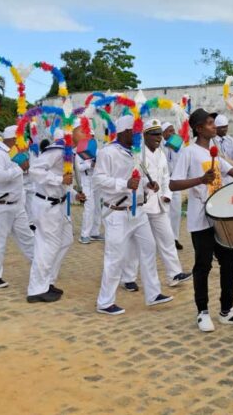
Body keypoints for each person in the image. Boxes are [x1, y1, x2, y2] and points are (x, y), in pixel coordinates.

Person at [170, 108, 233, 332]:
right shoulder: (189, 152)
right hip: (201, 220)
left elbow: (232, 172)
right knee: (203, 265)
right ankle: (202, 313)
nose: (214, 125)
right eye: (209, 123)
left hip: (221, 217)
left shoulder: (214, 152)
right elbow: (173, 184)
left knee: (230, 263)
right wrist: (200, 179)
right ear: (199, 128)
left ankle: (227, 311)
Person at [94, 115, 173, 315]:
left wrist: (148, 185)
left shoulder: (135, 153)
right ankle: (105, 302)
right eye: (135, 132)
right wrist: (124, 184)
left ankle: (153, 294)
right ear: (125, 132)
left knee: (149, 248)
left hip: (138, 211)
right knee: (115, 258)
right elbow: (98, 179)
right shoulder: (107, 152)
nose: (139, 136)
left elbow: (138, 180)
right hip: (117, 212)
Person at [120, 119, 192, 289]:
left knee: (167, 238)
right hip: (142, 204)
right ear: (144, 135)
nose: (158, 137)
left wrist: (167, 194)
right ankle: (128, 278)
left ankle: (174, 274)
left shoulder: (160, 153)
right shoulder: (137, 153)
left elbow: (166, 176)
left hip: (159, 204)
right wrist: (146, 184)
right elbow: (134, 177)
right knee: (136, 244)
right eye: (154, 134)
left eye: (159, 134)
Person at [0, 126, 36, 288]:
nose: (24, 142)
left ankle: (41, 266)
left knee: (28, 237)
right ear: (14, 138)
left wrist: (23, 169)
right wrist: (19, 168)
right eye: (21, 138)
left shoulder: (15, 154)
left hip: (16, 204)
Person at [26, 129, 75, 303]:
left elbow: (66, 180)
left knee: (66, 239)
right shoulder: (57, 150)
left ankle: (47, 281)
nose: (88, 136)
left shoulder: (68, 151)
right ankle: (36, 289)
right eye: (84, 132)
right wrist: (60, 179)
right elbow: (35, 170)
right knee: (46, 246)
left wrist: (74, 193)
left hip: (59, 204)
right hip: (47, 204)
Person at [76, 131, 103, 244]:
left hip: (96, 181)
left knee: (97, 208)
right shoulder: (80, 151)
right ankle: (84, 235)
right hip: (86, 182)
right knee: (89, 208)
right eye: (89, 136)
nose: (91, 138)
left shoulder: (97, 150)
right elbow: (78, 167)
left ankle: (94, 232)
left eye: (92, 136)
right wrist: (89, 165)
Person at [161, 122, 184, 250]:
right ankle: (165, 239)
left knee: (176, 211)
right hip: (163, 183)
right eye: (169, 131)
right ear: (163, 133)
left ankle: (174, 238)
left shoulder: (178, 145)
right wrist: (167, 144)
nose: (172, 133)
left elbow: (183, 159)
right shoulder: (158, 145)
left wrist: (177, 146)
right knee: (165, 211)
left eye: (173, 130)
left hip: (175, 182)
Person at [213, 115, 233, 185]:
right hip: (219, 177)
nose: (225, 129)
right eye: (222, 127)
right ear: (216, 128)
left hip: (231, 176)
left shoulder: (230, 140)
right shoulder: (212, 141)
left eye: (226, 127)